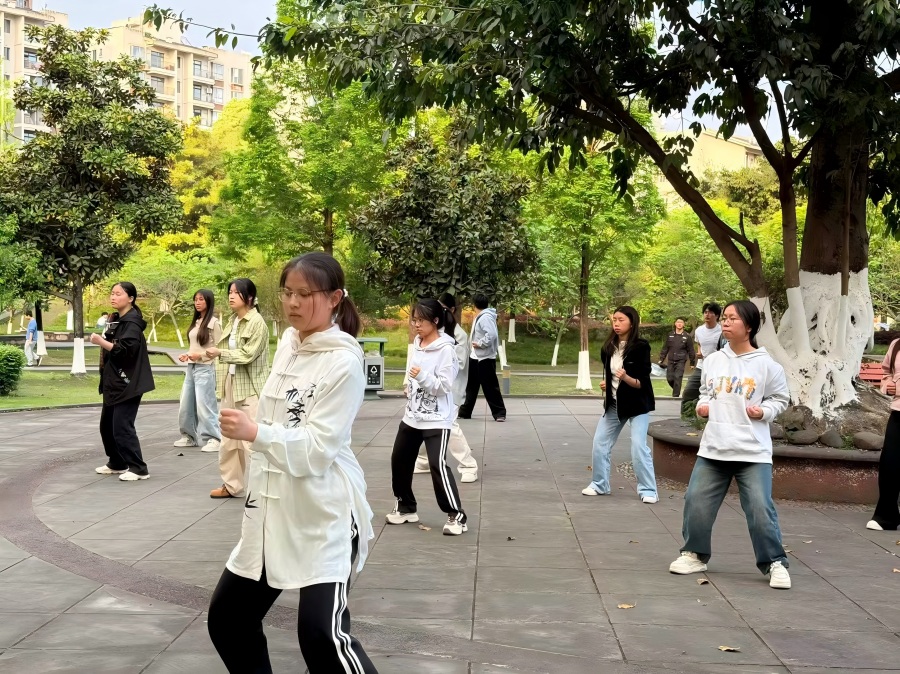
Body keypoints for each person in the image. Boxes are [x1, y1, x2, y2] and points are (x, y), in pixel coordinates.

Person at [207, 252, 377, 674]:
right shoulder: (288, 343)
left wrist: (255, 432)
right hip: (271, 510)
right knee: (229, 620)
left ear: (334, 298)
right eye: (287, 293)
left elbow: (319, 448)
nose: (293, 303)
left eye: (305, 294)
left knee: (321, 636)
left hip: (323, 514)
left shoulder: (344, 361)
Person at [669, 300, 791, 589]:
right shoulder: (713, 361)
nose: (725, 322)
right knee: (696, 502)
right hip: (714, 447)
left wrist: (764, 411)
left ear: (749, 326)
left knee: (760, 509)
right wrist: (703, 406)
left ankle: (774, 562)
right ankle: (694, 554)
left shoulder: (767, 364)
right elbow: (705, 392)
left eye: (732, 318)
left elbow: (780, 399)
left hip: (752, 451)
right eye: (724, 317)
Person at [387, 298, 468, 535]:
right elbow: (411, 371)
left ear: (435, 321)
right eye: (414, 320)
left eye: (421, 321)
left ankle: (456, 516)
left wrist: (421, 377)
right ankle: (405, 507)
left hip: (437, 419)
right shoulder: (418, 343)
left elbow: (444, 386)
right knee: (399, 460)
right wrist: (409, 384)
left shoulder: (446, 350)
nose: (416, 325)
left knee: (437, 465)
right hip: (412, 416)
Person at [583, 306, 659, 503]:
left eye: (621, 320)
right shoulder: (608, 347)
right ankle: (599, 484)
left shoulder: (641, 347)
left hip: (637, 405)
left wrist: (625, 377)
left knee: (638, 446)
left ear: (632, 323)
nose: (616, 323)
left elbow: (641, 383)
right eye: (614, 319)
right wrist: (607, 384)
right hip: (615, 404)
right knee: (600, 443)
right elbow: (611, 375)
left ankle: (648, 490)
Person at [205, 279, 270, 499]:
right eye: (230, 292)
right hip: (230, 382)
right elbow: (221, 349)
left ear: (249, 297)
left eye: (236, 293)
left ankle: (264, 488)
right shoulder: (233, 320)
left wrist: (220, 353)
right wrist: (203, 354)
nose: (231, 296)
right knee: (229, 438)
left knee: (251, 440)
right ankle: (232, 485)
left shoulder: (257, 322)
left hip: (249, 387)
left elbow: (248, 354)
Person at [91, 282, 155, 481]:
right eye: (112, 293)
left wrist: (101, 342)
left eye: (118, 294)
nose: (113, 297)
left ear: (131, 298)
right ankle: (117, 462)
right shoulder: (117, 320)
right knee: (107, 426)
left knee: (122, 426)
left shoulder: (132, 323)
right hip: (113, 381)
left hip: (128, 382)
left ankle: (138, 468)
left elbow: (126, 351)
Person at [414, 292, 479, 482]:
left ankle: (468, 465)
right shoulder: (429, 334)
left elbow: (457, 366)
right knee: (426, 421)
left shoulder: (457, 336)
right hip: (427, 389)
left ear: (449, 311)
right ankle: (424, 461)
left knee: (449, 425)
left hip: (450, 390)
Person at [174, 289, 223, 452]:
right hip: (191, 367)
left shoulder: (214, 323)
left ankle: (214, 438)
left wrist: (200, 355)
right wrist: (187, 354)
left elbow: (219, 348)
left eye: (201, 299)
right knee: (186, 404)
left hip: (205, 368)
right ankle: (189, 437)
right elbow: (195, 346)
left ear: (209, 301)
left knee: (205, 405)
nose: (197, 302)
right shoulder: (196, 322)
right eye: (195, 299)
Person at [866, 337, 900, 531]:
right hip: (898, 413)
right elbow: (887, 372)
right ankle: (886, 516)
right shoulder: (896, 344)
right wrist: (888, 385)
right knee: (890, 464)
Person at [458, 292, 506, 422]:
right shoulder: (481, 316)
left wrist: (481, 343)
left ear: (474, 305)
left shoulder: (485, 317)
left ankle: (499, 413)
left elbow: (492, 335)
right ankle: (465, 412)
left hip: (485, 358)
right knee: (471, 386)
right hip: (475, 357)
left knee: (490, 386)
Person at [681, 303, 724, 409]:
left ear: (717, 316)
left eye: (710, 312)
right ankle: (687, 416)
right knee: (688, 392)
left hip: (718, 368)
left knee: (716, 394)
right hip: (701, 366)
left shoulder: (722, 331)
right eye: (705, 312)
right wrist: (699, 352)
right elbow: (699, 343)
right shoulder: (699, 330)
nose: (707, 315)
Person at [659, 318, 696, 397]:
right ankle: (677, 389)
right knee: (670, 378)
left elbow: (691, 350)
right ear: (675, 324)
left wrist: (692, 363)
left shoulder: (687, 336)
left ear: (684, 325)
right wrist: (661, 359)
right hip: (671, 360)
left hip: (681, 360)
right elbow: (665, 348)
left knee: (678, 377)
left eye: (681, 322)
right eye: (678, 322)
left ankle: (675, 396)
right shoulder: (670, 335)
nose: (679, 324)